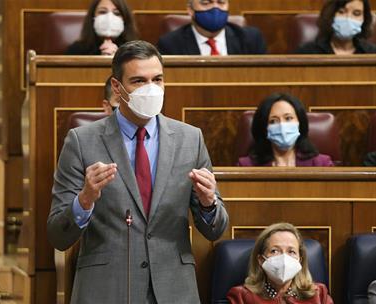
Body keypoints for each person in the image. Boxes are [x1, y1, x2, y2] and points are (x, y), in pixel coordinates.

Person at [48, 40, 228, 303]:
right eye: (139, 81)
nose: (151, 89)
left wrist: (208, 203)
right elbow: (57, 234)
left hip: (173, 289)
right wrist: (84, 200)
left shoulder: (190, 139)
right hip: (106, 289)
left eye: (157, 79)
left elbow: (216, 230)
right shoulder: (82, 141)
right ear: (117, 87)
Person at [227, 223, 334, 304]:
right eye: (275, 251)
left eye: (291, 251)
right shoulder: (241, 297)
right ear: (261, 260)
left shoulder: (319, 295)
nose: (284, 258)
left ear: (300, 261)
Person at [237, 93, 334, 167]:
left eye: (288, 118)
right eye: (273, 121)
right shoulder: (247, 165)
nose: (282, 126)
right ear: (264, 128)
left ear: (300, 122)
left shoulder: (321, 164)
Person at [157, 0, 266, 55]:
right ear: (190, 10)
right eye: (206, 3)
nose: (215, 7)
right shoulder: (170, 44)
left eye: (221, 2)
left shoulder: (251, 39)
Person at [296, 0, 376, 54]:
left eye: (356, 13)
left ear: (364, 19)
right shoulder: (307, 52)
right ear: (330, 14)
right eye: (341, 12)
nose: (348, 19)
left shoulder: (371, 53)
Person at [66, 0, 138, 55]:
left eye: (117, 13)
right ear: (93, 18)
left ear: (125, 20)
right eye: (102, 12)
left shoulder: (135, 51)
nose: (109, 18)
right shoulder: (76, 50)